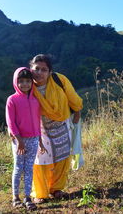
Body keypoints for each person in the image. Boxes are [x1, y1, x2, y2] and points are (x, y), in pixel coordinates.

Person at [29, 54, 83, 203]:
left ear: (49, 72)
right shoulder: (27, 84)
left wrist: (77, 113)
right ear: (30, 69)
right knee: (40, 161)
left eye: (44, 70)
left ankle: (57, 189)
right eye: (36, 69)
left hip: (63, 125)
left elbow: (73, 98)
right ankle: (39, 193)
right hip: (41, 129)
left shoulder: (59, 80)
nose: (39, 73)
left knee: (62, 158)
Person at [5, 67, 46, 210]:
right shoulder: (12, 100)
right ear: (16, 82)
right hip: (19, 140)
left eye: (28, 81)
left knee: (29, 169)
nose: (25, 84)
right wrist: (19, 140)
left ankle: (28, 197)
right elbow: (10, 122)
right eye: (21, 81)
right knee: (18, 168)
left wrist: (40, 141)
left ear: (32, 82)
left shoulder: (35, 100)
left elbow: (37, 120)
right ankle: (15, 198)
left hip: (34, 139)